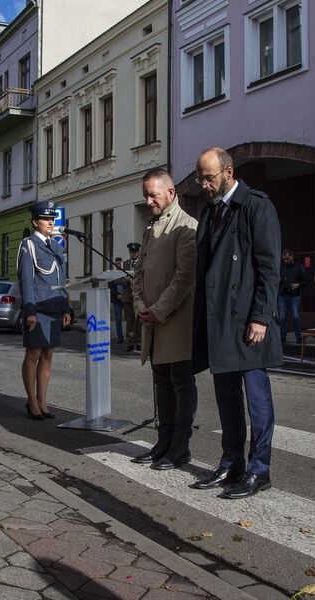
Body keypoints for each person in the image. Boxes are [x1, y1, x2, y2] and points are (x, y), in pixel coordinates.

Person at [190, 147, 281, 500]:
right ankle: (231, 464)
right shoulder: (211, 210)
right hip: (219, 322)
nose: (203, 183)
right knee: (226, 399)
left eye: (208, 177)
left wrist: (261, 317)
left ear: (228, 173)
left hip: (247, 321)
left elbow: (269, 268)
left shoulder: (256, 205)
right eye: (200, 177)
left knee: (257, 401)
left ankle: (260, 470)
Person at [131, 168, 198, 470]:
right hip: (153, 320)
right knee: (161, 383)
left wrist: (156, 310)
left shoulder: (186, 227)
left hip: (176, 321)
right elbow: (138, 273)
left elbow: (185, 278)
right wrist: (138, 304)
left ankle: (180, 447)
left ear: (170, 193)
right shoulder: (150, 228)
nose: (148, 201)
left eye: (152, 195)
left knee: (181, 383)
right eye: (145, 195)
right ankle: (163, 442)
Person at [18, 200, 71, 420]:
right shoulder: (28, 245)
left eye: (52, 219)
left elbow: (61, 280)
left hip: (55, 307)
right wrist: (29, 310)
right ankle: (31, 401)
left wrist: (66, 307)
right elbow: (27, 281)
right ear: (35, 222)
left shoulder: (55, 246)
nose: (51, 222)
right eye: (46, 219)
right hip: (37, 307)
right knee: (34, 354)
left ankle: (43, 400)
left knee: (48, 354)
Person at [278, 249, 306, 345]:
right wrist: (280, 279)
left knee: (296, 317)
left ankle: (298, 337)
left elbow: (305, 281)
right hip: (282, 295)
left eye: (287, 258)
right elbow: (274, 278)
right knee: (282, 317)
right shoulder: (281, 267)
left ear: (292, 257)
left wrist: (298, 284)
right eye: (284, 259)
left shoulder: (299, 267)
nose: (285, 260)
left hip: (294, 296)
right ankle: (282, 337)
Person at [121, 243, 142, 352]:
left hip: (139, 296)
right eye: (131, 252)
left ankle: (139, 342)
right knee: (129, 320)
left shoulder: (143, 263)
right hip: (128, 297)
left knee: (139, 320)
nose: (133, 254)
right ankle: (130, 341)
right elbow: (118, 279)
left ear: (139, 252)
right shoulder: (124, 264)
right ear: (129, 253)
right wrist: (127, 280)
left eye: (135, 252)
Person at [108, 257, 125, 343]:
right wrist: (117, 295)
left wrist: (124, 295)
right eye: (116, 264)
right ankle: (120, 337)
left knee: (130, 319)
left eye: (119, 264)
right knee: (118, 319)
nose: (118, 265)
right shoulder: (112, 274)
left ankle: (131, 337)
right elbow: (110, 286)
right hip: (116, 299)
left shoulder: (125, 273)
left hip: (126, 298)